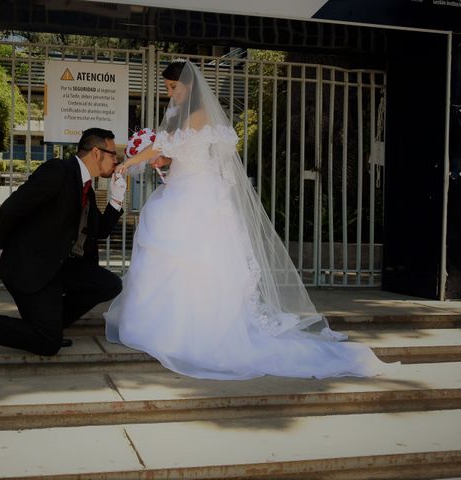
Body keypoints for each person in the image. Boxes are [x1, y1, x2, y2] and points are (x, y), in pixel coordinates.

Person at [107, 60, 390, 380]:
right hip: (180, 189)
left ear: (189, 86)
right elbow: (170, 152)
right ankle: (160, 324)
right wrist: (159, 157)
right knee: (171, 256)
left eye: (175, 87)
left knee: (199, 260)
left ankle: (195, 329)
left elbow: (166, 146)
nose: (171, 93)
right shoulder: (177, 115)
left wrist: (132, 160)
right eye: (168, 88)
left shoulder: (199, 115)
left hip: (198, 194)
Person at [0, 128, 126, 356]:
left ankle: (50, 327)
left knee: (109, 284)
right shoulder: (58, 171)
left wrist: (116, 199)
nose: (116, 160)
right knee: (47, 344)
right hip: (30, 266)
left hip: (57, 264)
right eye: (113, 154)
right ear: (97, 153)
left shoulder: (85, 186)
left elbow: (99, 232)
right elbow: (12, 208)